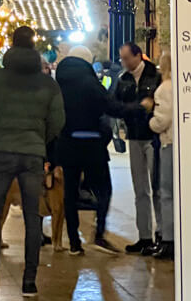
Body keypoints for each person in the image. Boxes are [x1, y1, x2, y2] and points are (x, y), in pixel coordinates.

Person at [0, 26, 65, 298]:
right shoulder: (48, 83)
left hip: (1, 152)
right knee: (32, 216)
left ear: (11, 45)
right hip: (32, 155)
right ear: (34, 47)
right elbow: (58, 120)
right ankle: (29, 282)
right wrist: (40, 140)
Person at [55, 44, 145, 255]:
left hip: (67, 145)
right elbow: (111, 107)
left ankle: (74, 242)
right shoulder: (90, 82)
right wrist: (138, 108)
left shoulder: (58, 83)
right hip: (91, 145)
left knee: (70, 193)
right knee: (104, 189)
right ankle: (99, 234)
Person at [115, 42, 161, 254]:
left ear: (138, 56)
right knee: (140, 189)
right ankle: (144, 236)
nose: (123, 62)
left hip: (153, 137)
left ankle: (162, 235)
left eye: (126, 58)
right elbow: (115, 105)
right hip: (134, 136)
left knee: (159, 188)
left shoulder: (155, 76)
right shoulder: (123, 80)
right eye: (122, 58)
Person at [148, 52, 172, 260]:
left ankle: (168, 239)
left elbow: (161, 120)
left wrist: (151, 123)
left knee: (166, 192)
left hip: (168, 143)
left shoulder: (164, 89)